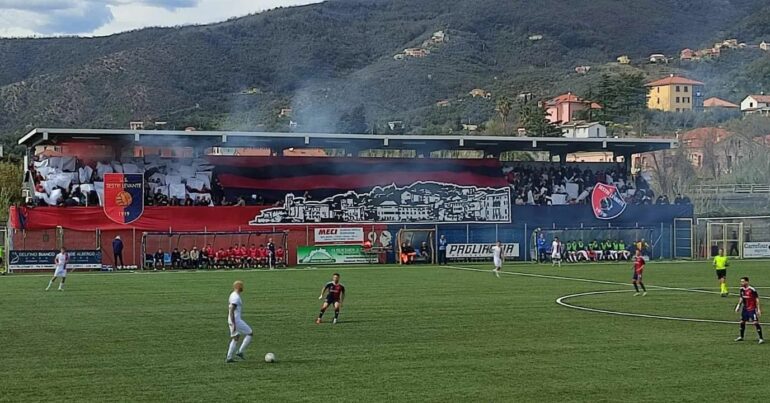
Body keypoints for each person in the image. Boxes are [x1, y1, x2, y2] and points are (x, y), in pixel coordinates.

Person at [226, 280, 253, 362]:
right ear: (239, 287)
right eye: (242, 286)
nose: (243, 287)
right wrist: (233, 323)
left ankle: (229, 358)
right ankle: (240, 352)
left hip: (233, 320)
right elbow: (231, 309)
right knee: (250, 333)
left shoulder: (233, 295)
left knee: (236, 338)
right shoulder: (236, 297)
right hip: (236, 320)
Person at [735, 277, 764, 344]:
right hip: (745, 309)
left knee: (755, 322)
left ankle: (761, 338)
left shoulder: (752, 290)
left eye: (743, 281)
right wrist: (738, 306)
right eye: (741, 281)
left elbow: (757, 299)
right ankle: (741, 337)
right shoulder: (741, 289)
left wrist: (758, 309)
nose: (741, 283)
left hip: (752, 308)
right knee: (742, 322)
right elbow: (741, 298)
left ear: (747, 282)